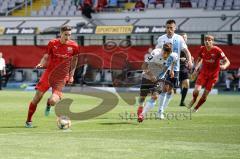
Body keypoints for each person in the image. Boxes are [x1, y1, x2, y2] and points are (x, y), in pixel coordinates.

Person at [25, 25, 79, 128]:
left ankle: (49, 104)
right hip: (48, 75)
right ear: (60, 33)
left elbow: (75, 61)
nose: (67, 37)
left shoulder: (74, 46)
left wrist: (71, 75)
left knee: (53, 101)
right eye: (65, 35)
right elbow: (46, 56)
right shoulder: (52, 43)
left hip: (61, 77)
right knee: (37, 98)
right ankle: (28, 121)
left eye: (69, 35)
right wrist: (41, 64)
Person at [153, 19, 193, 119]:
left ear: (175, 28)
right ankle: (160, 111)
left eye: (171, 28)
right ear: (165, 28)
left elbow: (186, 50)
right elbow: (157, 50)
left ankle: (162, 108)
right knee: (165, 88)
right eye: (167, 28)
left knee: (170, 90)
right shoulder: (161, 38)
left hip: (175, 68)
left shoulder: (179, 38)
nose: (169, 30)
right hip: (164, 67)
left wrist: (190, 61)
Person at [188, 35, 230, 112]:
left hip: (213, 76)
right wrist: (196, 69)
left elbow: (228, 61)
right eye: (206, 40)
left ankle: (196, 107)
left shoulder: (217, 50)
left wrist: (224, 66)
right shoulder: (202, 49)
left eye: (209, 40)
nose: (207, 41)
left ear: (212, 42)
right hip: (203, 73)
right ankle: (194, 99)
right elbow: (200, 59)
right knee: (196, 90)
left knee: (205, 94)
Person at [137, 43, 177, 122]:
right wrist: (151, 75)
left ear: (170, 53)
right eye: (164, 52)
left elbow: (174, 61)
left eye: (167, 54)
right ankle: (141, 106)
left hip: (159, 79)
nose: (165, 55)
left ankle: (142, 115)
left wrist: (172, 70)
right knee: (142, 98)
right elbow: (143, 66)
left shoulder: (173, 56)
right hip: (147, 77)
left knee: (155, 96)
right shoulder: (155, 53)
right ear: (162, 50)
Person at [179, 33, 191, 106]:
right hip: (174, 67)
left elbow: (187, 57)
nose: (184, 38)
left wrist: (189, 60)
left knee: (186, 83)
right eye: (183, 37)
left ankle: (182, 102)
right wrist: (180, 59)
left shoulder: (186, 47)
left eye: (185, 37)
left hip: (183, 67)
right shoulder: (176, 46)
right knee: (169, 87)